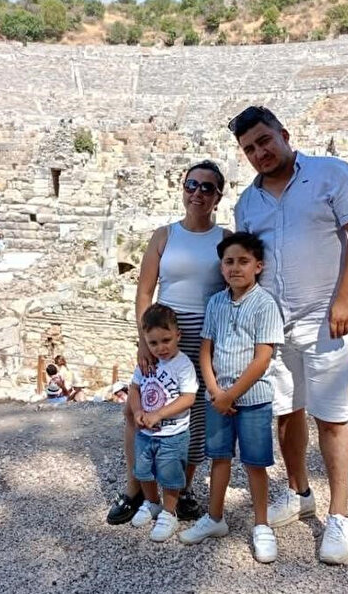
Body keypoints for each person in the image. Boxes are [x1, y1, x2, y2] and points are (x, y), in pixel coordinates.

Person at [228, 106, 348, 564]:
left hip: (324, 319)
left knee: (332, 417)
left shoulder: (330, 174)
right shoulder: (246, 204)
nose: (260, 152)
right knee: (286, 413)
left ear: (284, 134)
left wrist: (347, 297)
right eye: (249, 148)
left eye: (264, 140)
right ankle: (299, 493)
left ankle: (340, 515)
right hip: (273, 326)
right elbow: (247, 263)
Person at [106, 161, 231, 526]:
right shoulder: (164, 235)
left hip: (204, 334)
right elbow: (145, 291)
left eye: (206, 187)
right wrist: (142, 341)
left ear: (218, 196)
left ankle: (182, 488)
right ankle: (135, 488)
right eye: (192, 184)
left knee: (194, 413)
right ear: (183, 188)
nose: (197, 193)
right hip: (162, 332)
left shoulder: (224, 238)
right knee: (137, 407)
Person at [179, 232, 284, 563]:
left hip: (252, 399)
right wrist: (214, 391)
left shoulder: (265, 304)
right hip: (218, 398)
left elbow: (262, 358)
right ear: (221, 267)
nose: (235, 268)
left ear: (258, 266)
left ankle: (262, 525)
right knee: (219, 457)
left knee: (255, 463)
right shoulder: (216, 303)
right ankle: (215, 517)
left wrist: (230, 395)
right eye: (229, 262)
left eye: (243, 261)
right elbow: (205, 350)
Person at [128, 304, 197, 542]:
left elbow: (188, 398)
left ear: (178, 335)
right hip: (145, 433)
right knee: (143, 470)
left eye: (166, 340)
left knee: (170, 475)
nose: (161, 348)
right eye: (153, 343)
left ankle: (169, 512)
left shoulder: (183, 365)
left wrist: (159, 414)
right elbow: (134, 388)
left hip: (172, 434)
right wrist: (137, 410)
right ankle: (152, 502)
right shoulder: (147, 362)